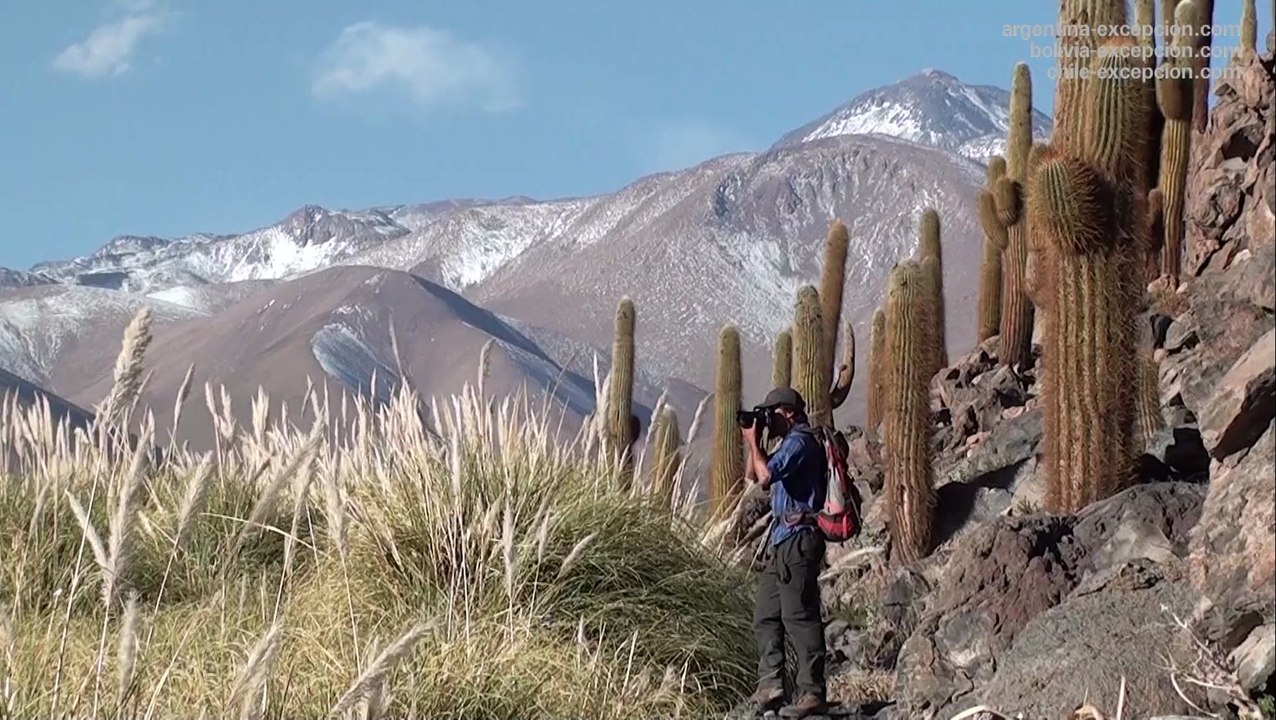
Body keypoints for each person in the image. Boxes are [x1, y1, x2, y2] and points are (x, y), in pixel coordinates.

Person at [741, 387, 828, 718]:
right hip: (781, 540)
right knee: (765, 612)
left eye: (770, 413)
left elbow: (765, 477)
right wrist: (756, 439)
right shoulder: (784, 443)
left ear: (787, 412)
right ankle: (771, 684)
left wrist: (754, 440)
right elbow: (753, 475)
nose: (767, 419)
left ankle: (812, 691)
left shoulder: (800, 441)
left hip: (799, 537)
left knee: (799, 616)